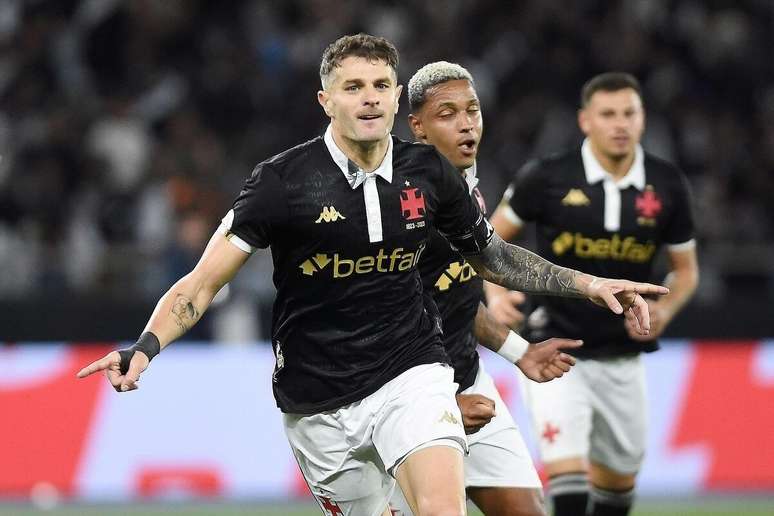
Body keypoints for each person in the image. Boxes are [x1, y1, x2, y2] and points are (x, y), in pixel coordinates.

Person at [77, 36, 668, 516]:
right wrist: (147, 346)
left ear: (394, 98)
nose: (369, 99)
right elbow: (202, 284)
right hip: (318, 395)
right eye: (353, 87)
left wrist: (590, 285)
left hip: (413, 371)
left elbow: (494, 257)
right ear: (325, 100)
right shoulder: (283, 183)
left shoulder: (429, 173)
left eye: (381, 85)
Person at [486, 72, 699, 516]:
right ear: (586, 120)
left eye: (629, 113)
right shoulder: (544, 177)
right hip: (555, 349)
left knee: (617, 488)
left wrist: (666, 308)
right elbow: (486, 246)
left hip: (623, 357)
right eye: (608, 114)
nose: (619, 124)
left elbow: (686, 272)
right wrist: (494, 293)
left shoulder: (667, 185)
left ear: (642, 120)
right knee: (568, 484)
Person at [389, 61, 579, 516]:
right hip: (400, 401)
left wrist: (519, 352)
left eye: (472, 110)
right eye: (447, 113)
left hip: (469, 380)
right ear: (417, 127)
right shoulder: (403, 207)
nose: (466, 123)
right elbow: (381, 320)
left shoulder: (468, 192)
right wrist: (442, 406)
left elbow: (456, 299)